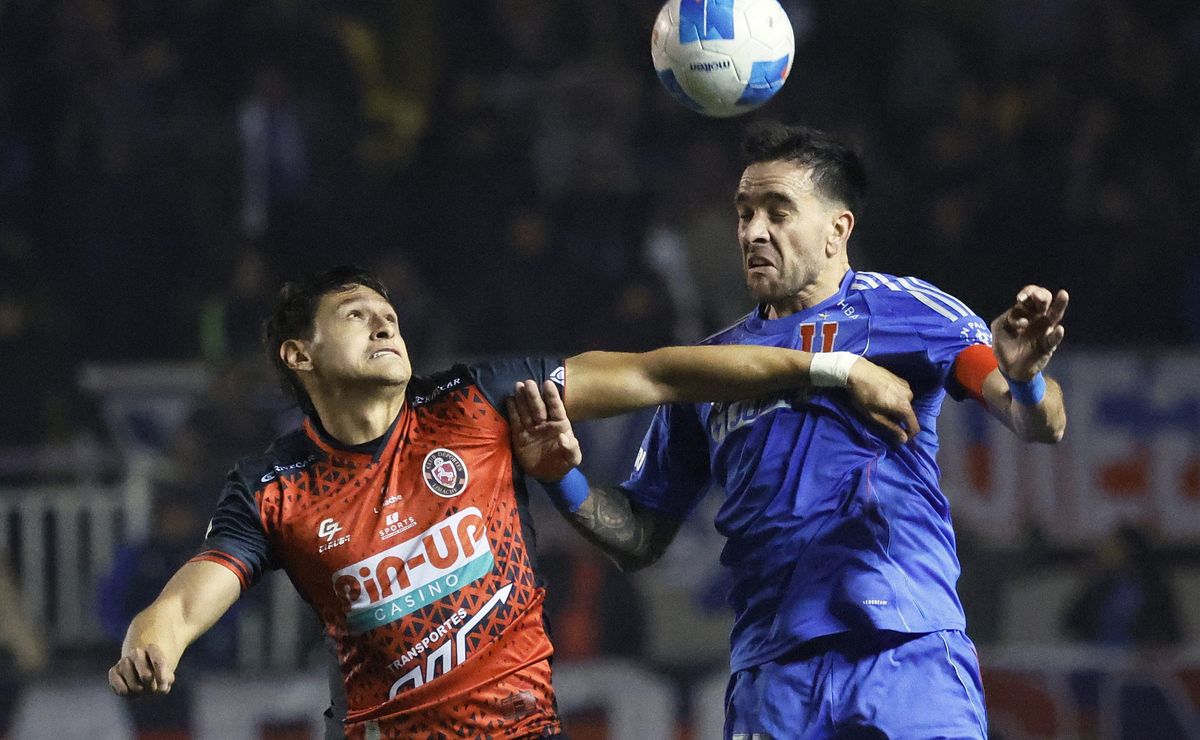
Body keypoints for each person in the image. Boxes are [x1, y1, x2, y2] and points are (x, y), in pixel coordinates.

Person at [106, 265, 920, 739]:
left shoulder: (475, 401)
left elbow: (658, 373)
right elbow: (191, 594)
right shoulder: (275, 487)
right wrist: (156, 639)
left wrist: (834, 371)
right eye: (357, 317)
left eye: (389, 316)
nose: (386, 326)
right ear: (299, 354)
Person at [509, 121, 1069, 739]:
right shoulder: (712, 370)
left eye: (777, 212)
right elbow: (640, 536)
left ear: (838, 230)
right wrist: (563, 479)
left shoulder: (908, 310)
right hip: (772, 678)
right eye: (744, 213)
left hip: (904, 653)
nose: (753, 231)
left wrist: (1024, 381)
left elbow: (1036, 424)